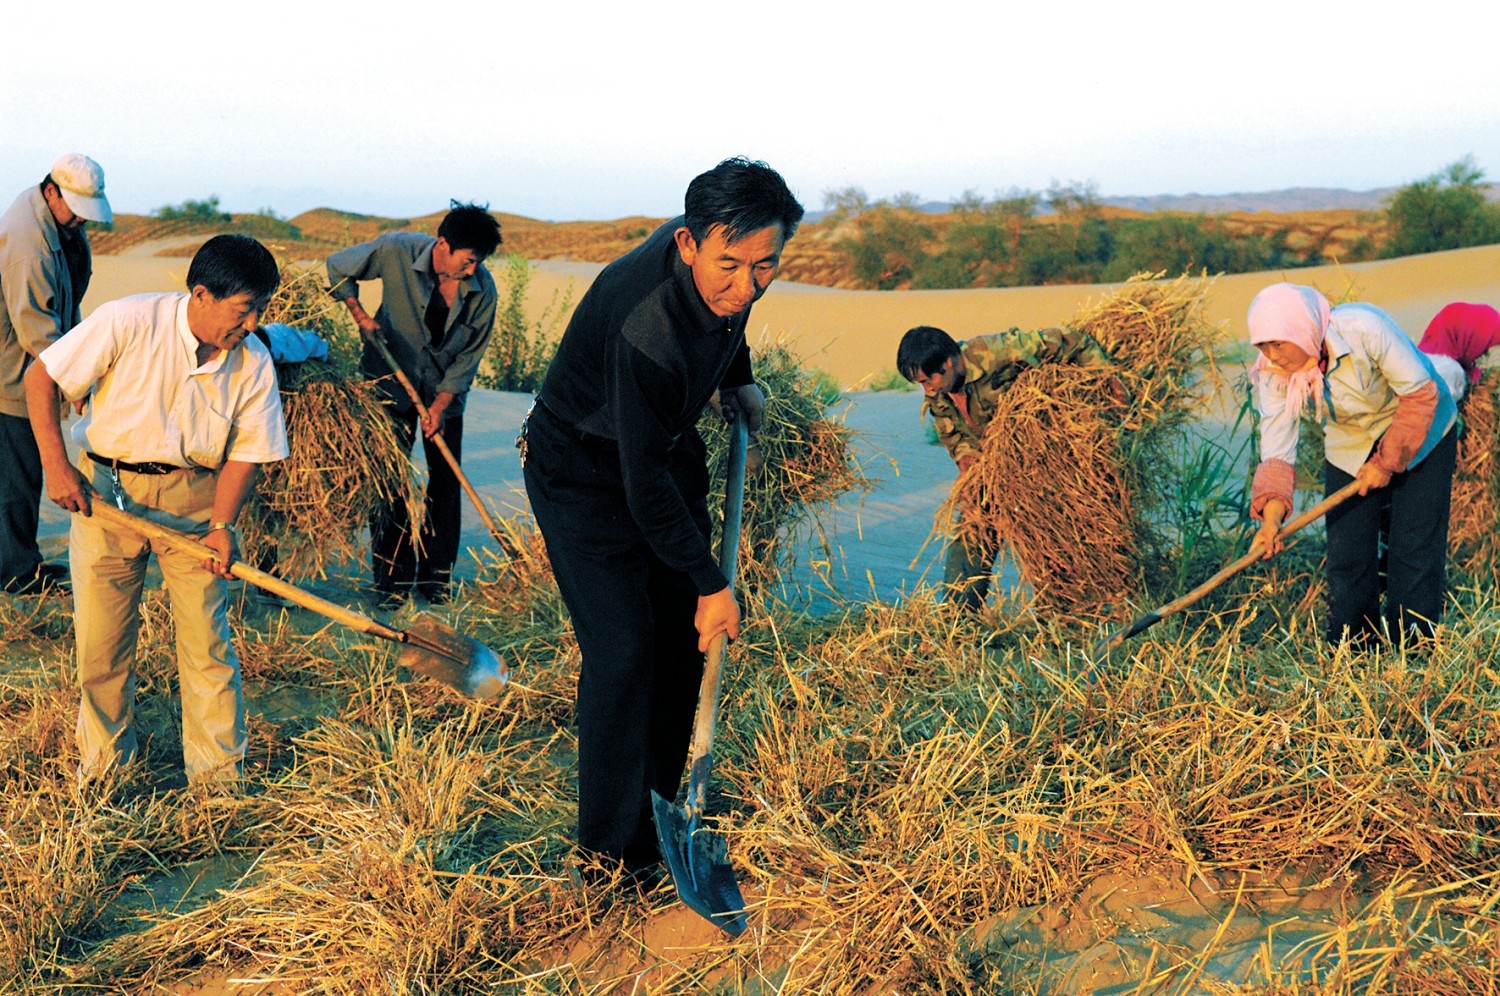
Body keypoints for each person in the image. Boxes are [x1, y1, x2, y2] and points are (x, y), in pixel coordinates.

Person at [520, 157, 803, 878]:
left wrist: (736, 381)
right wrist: (711, 584)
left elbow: (730, 318)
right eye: (729, 267)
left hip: (656, 446)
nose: (745, 287)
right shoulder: (645, 325)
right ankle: (607, 858)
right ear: (687, 245)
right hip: (581, 468)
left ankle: (656, 823)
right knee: (624, 650)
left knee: (682, 648)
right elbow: (641, 486)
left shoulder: (735, 257)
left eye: (764, 267)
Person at [25, 234, 288, 789]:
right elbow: (42, 376)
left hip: (196, 502)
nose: (252, 323)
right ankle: (106, 772)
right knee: (102, 645)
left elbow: (249, 451)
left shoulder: (254, 360)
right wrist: (56, 464)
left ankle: (218, 782)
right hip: (107, 497)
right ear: (201, 294)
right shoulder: (127, 321)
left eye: (260, 309)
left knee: (207, 646)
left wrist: (223, 526)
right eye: (245, 310)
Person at [1246, 282, 1458, 646]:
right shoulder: (1272, 371)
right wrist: (1271, 521)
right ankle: (1354, 648)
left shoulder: (1365, 327)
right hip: (1351, 443)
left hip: (1420, 429)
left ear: (1303, 329)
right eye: (1262, 345)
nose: (1272, 354)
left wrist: (1387, 462)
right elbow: (1278, 451)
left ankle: (1414, 648)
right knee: (1347, 550)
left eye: (1278, 343)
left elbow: (1421, 394)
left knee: (1412, 545)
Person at [325, 203, 501, 607]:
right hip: (390, 383)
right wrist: (359, 314)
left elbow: (468, 359)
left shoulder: (483, 290)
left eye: (480, 262)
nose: (474, 270)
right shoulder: (396, 250)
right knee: (390, 482)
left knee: (444, 481)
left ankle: (436, 577)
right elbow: (337, 268)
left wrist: (439, 405)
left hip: (445, 394)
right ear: (443, 244)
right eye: (469, 260)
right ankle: (392, 582)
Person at [896, 324, 1114, 610]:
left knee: (1046, 540)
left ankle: (1063, 620)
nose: (926, 390)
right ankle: (957, 622)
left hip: (1040, 462)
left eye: (927, 380)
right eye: (921, 384)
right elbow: (953, 434)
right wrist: (966, 464)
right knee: (972, 530)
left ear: (948, 362)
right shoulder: (939, 390)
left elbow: (1073, 342)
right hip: (991, 467)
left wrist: (1108, 381)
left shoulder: (995, 351)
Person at [0, 154, 112, 595]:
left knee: (19, 469)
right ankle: (16, 574)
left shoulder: (59, 224)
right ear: (52, 192)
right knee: (18, 472)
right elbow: (37, 331)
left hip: (34, 365)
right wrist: (76, 380)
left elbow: (68, 303)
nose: (82, 222)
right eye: (77, 211)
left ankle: (19, 559)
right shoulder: (29, 244)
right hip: (10, 372)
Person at [1417, 302, 1500, 402]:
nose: (1484, 355)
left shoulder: (1421, 359)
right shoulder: (1449, 372)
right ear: (1468, 339)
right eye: (1484, 347)